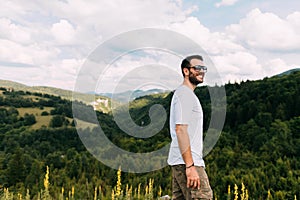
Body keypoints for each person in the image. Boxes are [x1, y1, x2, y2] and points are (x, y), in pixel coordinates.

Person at [167, 55, 213, 199]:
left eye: (203, 68)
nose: (202, 71)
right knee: (203, 197)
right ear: (186, 71)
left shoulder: (184, 94)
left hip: (180, 161)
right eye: (197, 68)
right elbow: (180, 130)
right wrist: (190, 166)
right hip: (187, 162)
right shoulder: (185, 94)